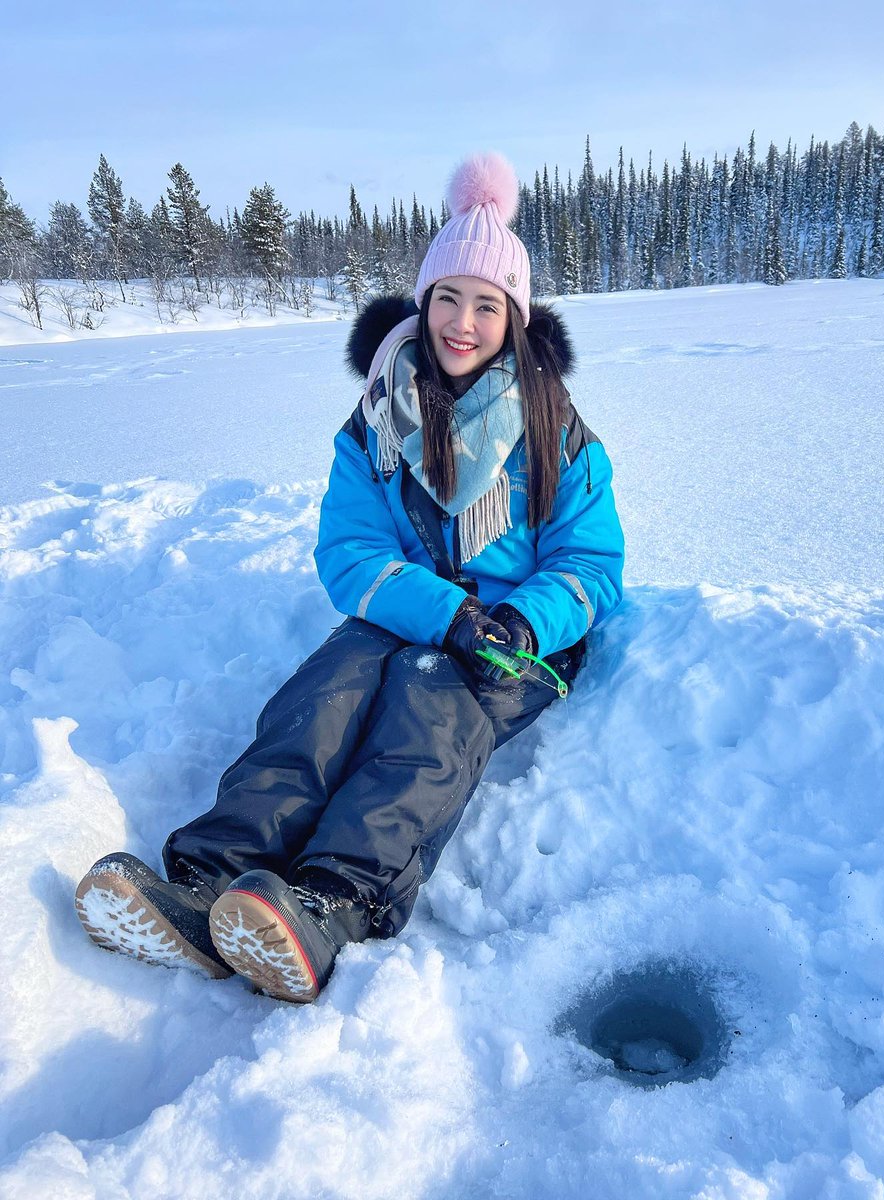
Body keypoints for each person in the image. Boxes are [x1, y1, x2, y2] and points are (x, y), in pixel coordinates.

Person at [75, 153, 625, 1004]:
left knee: (432, 693)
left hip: (517, 639)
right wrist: (440, 609)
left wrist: (517, 623)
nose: (463, 323)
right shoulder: (376, 417)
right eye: (448, 298)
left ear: (514, 318)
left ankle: (332, 899)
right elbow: (351, 554)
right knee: (332, 683)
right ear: (423, 301)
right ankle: (212, 877)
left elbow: (591, 564)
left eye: (487, 305)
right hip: (410, 611)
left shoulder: (555, 427)